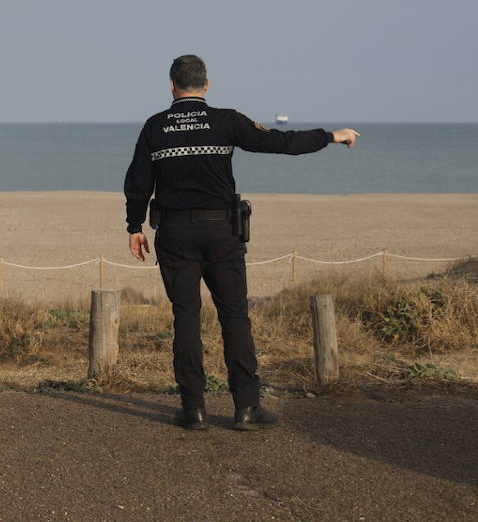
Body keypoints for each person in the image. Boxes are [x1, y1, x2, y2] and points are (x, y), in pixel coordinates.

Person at [124, 55, 360, 431]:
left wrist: (134, 226)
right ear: (207, 85)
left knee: (186, 318)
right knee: (234, 317)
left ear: (171, 86)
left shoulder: (155, 126)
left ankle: (193, 410)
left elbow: (138, 180)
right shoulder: (226, 120)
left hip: (175, 234)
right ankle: (247, 409)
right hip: (222, 233)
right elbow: (280, 143)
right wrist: (330, 136)